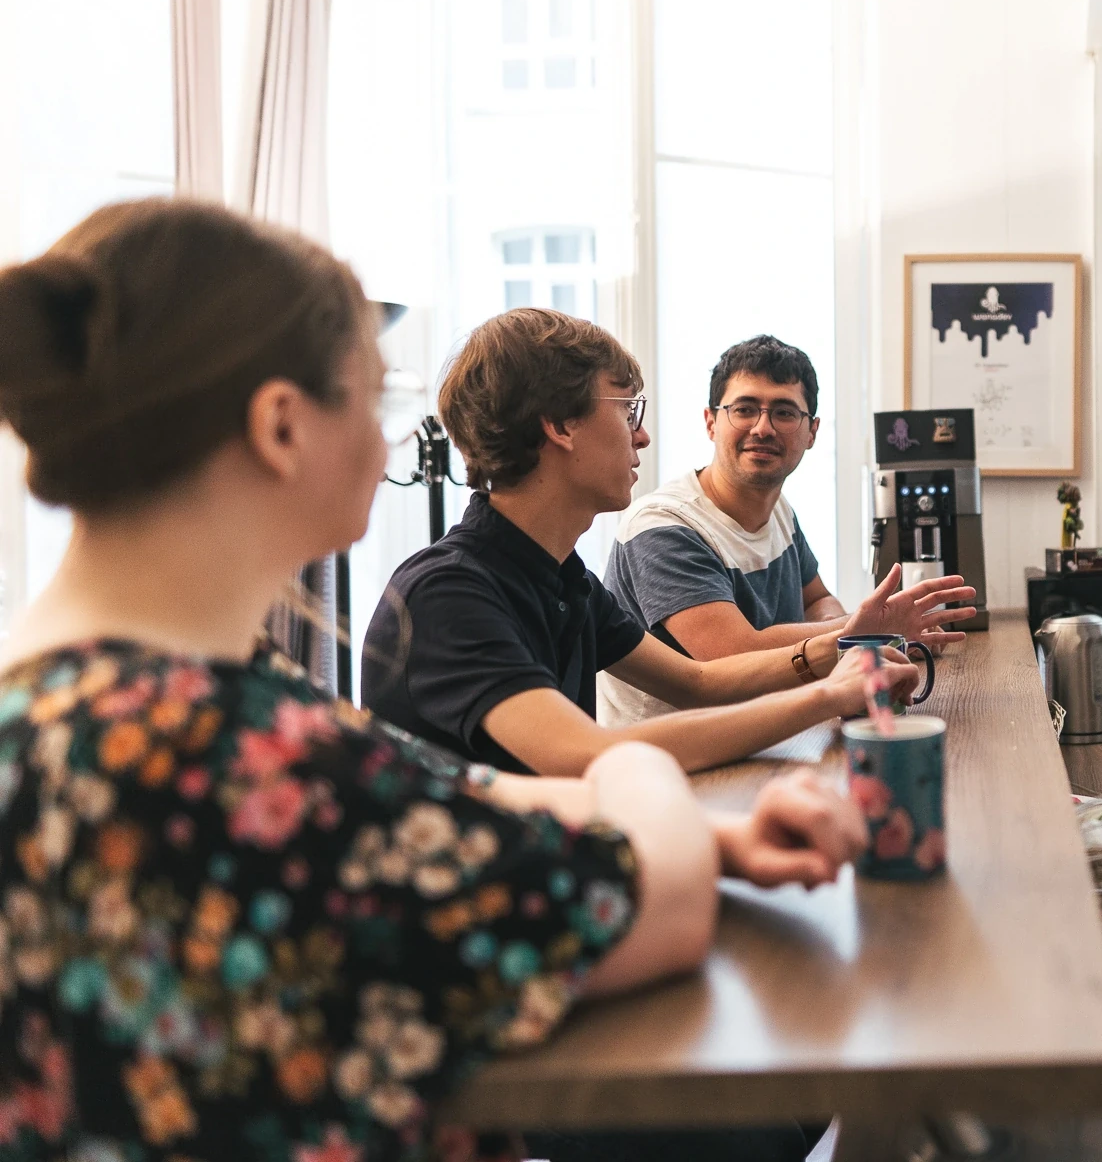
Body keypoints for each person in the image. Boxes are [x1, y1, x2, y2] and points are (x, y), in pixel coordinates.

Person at [0, 198, 868, 1161]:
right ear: (282, 427)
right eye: (371, 405)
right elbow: (652, 897)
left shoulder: (97, 707)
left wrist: (730, 836)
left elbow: (435, 791)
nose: (389, 449)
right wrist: (635, 781)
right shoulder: (232, 750)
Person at [360, 310, 944, 777]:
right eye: (626, 408)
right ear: (559, 426)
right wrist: (828, 693)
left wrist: (845, 646)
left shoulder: (564, 578)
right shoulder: (448, 595)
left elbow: (696, 681)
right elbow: (584, 756)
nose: (641, 433)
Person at [599, 335, 974, 723]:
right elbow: (734, 654)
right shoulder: (662, 526)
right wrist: (861, 633)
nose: (763, 428)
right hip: (677, 761)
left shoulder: (779, 509)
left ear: (811, 432)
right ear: (711, 423)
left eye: (783, 412)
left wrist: (852, 633)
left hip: (767, 734)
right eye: (744, 409)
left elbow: (818, 599)